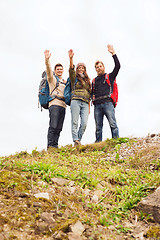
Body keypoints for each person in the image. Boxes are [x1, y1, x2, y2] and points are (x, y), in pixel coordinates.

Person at [92, 45, 121, 142]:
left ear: (103, 67)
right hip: (97, 105)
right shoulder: (94, 81)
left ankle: (116, 142)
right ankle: (98, 144)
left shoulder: (110, 76)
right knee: (98, 128)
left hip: (108, 103)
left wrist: (113, 54)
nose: (99, 68)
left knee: (113, 124)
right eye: (97, 67)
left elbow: (118, 66)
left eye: (100, 66)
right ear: (95, 69)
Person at [68, 49, 91, 146]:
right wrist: (71, 59)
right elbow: (71, 70)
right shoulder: (74, 78)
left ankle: (78, 138)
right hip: (76, 101)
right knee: (75, 122)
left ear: (85, 69)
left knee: (84, 123)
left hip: (85, 102)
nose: (81, 69)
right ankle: (76, 140)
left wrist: (89, 107)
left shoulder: (87, 80)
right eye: (79, 68)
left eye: (83, 68)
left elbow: (89, 94)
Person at [44, 50, 66, 149]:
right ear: (55, 71)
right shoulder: (52, 79)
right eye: (57, 69)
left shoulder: (65, 82)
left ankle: (55, 145)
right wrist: (47, 59)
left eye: (61, 69)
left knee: (59, 127)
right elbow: (48, 70)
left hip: (63, 105)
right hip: (54, 104)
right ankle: (50, 145)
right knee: (53, 125)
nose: (59, 70)